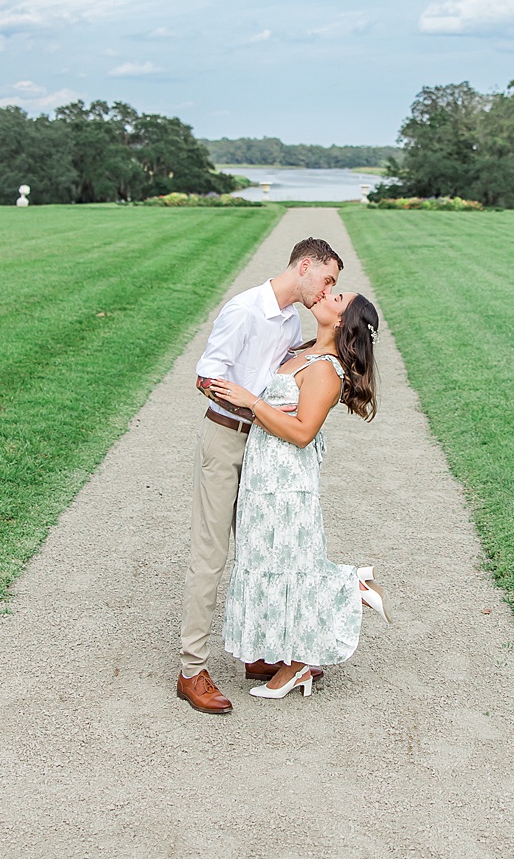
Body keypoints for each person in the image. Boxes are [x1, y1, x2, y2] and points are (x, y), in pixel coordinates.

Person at [177, 238, 342, 715]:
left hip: (266, 447)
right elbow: (205, 377)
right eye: (328, 280)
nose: (328, 289)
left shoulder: (291, 320)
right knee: (210, 555)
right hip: (228, 437)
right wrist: (250, 404)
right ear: (305, 266)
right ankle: (192, 670)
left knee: (261, 548)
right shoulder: (245, 309)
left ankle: (258, 652)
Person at [209, 290, 387, 701]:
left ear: (342, 321)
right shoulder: (305, 352)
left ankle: (336, 603)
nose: (328, 294)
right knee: (271, 558)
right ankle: (296, 653)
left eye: (337, 296)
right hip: (265, 474)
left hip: (286, 480)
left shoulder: (326, 368)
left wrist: (252, 402)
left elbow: (303, 433)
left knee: (287, 562)